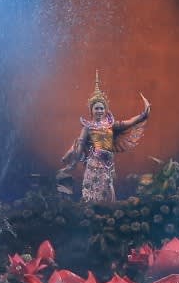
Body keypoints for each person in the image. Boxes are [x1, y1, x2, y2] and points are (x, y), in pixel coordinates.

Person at [57, 71, 151, 203]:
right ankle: (92, 209)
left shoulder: (111, 125)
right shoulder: (88, 127)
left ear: (105, 109)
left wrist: (142, 115)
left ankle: (106, 210)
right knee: (93, 191)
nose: (99, 111)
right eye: (96, 108)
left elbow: (128, 123)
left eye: (101, 108)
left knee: (107, 190)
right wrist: (73, 163)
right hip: (94, 163)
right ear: (91, 110)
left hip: (108, 163)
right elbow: (80, 147)